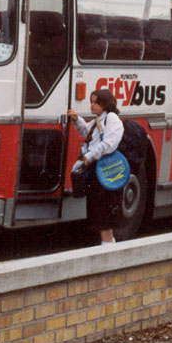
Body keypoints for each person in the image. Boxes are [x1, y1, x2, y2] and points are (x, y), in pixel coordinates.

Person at [67, 89, 124, 244]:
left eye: (95, 102)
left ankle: (107, 245)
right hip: (97, 168)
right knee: (99, 208)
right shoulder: (98, 119)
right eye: (91, 102)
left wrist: (89, 156)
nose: (92, 106)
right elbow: (87, 131)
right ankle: (108, 243)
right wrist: (77, 119)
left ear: (105, 104)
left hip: (104, 169)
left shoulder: (112, 118)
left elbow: (109, 144)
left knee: (103, 209)